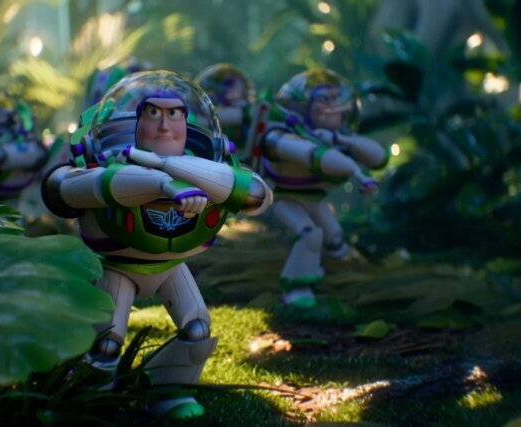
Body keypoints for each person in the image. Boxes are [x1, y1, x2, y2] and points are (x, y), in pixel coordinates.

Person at [41, 70, 272, 420]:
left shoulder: (206, 170)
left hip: (169, 267)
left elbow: (256, 194)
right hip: (119, 267)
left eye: (174, 114)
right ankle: (91, 401)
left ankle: (165, 391)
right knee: (107, 343)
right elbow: (64, 188)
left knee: (197, 329)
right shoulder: (103, 166)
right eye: (153, 113)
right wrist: (164, 184)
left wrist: (176, 168)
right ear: (138, 121)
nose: (165, 126)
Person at [260, 68, 389, 308]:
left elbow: (379, 157)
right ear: (303, 107)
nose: (334, 106)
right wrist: (333, 154)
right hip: (285, 199)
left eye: (336, 98)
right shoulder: (278, 135)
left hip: (316, 200)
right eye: (325, 99)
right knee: (309, 234)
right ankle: (297, 289)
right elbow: (313, 156)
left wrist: (341, 140)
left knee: (336, 241)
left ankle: (328, 274)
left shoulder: (339, 138)